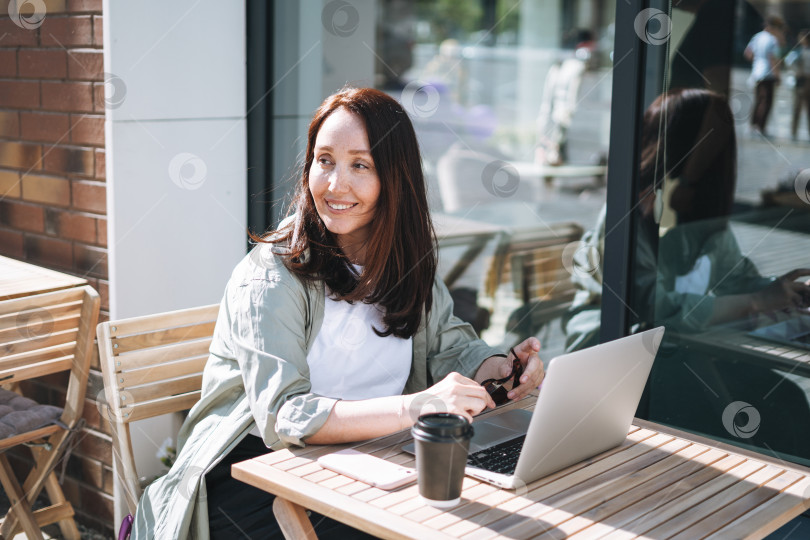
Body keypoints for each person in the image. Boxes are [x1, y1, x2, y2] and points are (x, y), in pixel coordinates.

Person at [131, 87, 545, 539]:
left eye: (360, 165)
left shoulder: (405, 264)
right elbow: (284, 415)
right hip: (252, 481)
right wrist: (417, 406)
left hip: (368, 464)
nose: (334, 185)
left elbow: (453, 344)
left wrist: (503, 368)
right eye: (324, 160)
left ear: (396, 177)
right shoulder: (270, 277)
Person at [745, 15, 785, 137]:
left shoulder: (757, 37)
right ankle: (760, 127)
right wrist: (777, 75)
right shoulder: (773, 40)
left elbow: (748, 53)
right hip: (768, 74)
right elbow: (773, 58)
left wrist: (757, 63)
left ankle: (753, 124)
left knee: (758, 100)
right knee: (767, 101)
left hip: (757, 72)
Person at [791, 30, 810, 140]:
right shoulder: (798, 51)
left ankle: (795, 131)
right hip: (801, 80)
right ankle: (793, 131)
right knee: (797, 107)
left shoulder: (800, 52)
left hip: (804, 80)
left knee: (803, 108)